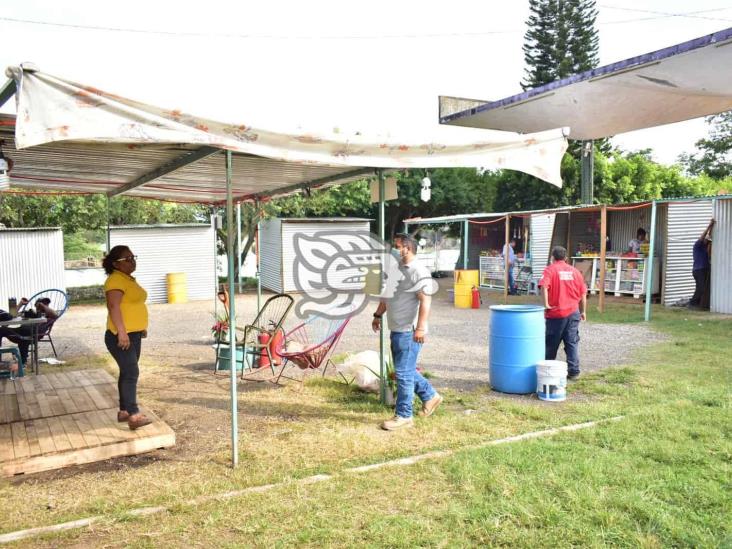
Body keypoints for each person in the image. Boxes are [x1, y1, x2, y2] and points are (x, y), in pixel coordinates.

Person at [371, 233, 442, 431]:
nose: (394, 250)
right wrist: (377, 315)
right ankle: (431, 396)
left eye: (397, 246)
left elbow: (425, 300)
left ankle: (404, 415)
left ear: (407, 248)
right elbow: (387, 296)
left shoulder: (418, 270)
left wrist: (420, 328)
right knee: (405, 371)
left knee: (403, 373)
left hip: (408, 331)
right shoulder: (396, 269)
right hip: (396, 328)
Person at [103, 245, 152, 430]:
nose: (132, 261)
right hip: (120, 336)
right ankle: (134, 414)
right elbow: (113, 307)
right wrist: (122, 332)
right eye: (127, 259)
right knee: (132, 372)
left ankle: (123, 411)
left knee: (126, 371)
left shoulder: (127, 279)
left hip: (133, 334)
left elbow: (132, 305)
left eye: (133, 257)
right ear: (116, 264)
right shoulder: (115, 280)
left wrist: (140, 328)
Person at [539, 246, 587, 380]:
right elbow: (583, 294)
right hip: (573, 312)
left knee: (551, 344)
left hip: (556, 314)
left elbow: (544, 286)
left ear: (552, 257)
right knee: (571, 342)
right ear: (566, 258)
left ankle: (547, 370)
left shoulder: (550, 270)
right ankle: (574, 372)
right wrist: (583, 311)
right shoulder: (575, 272)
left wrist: (546, 304)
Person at [0, 297, 58, 366]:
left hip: (32, 334)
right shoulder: (32, 313)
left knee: (24, 335)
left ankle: (22, 361)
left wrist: (43, 306)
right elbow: (12, 316)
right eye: (41, 303)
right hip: (21, 332)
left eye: (46, 304)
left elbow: (55, 315)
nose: (43, 305)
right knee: (2, 330)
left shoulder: (49, 316)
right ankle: (19, 361)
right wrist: (20, 304)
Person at [689, 218, 715, 309]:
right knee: (701, 287)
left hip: (702, 270)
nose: (708, 243)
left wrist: (712, 228)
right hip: (698, 270)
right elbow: (704, 235)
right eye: (707, 241)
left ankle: (698, 303)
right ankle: (692, 303)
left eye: (708, 242)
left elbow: (709, 236)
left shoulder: (704, 248)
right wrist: (709, 225)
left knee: (700, 287)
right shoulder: (697, 245)